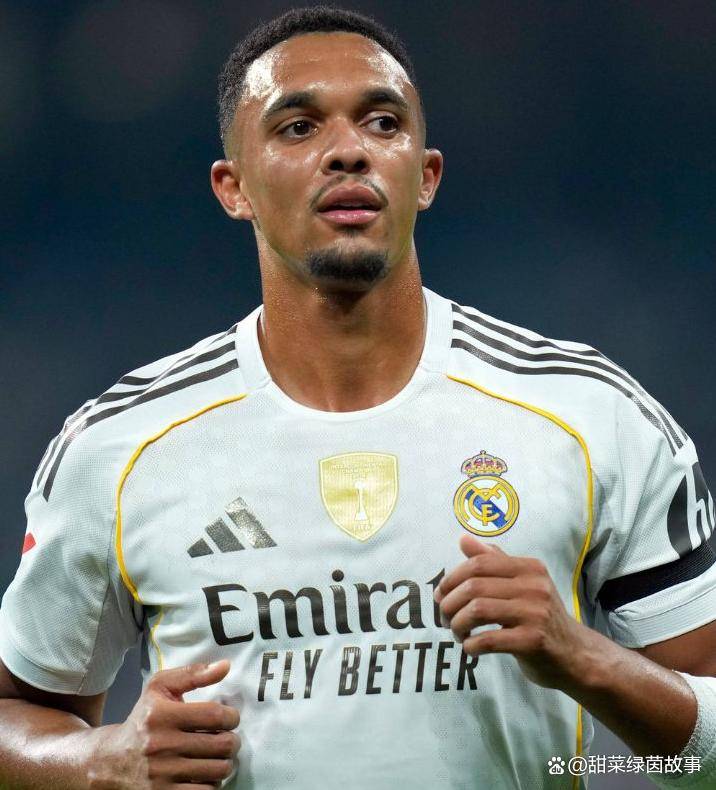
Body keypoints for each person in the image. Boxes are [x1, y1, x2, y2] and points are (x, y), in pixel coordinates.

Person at [1, 6, 715, 789]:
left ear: (426, 176)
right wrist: (99, 762)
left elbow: (703, 758)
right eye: (298, 127)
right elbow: (18, 715)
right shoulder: (120, 447)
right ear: (233, 188)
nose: (348, 150)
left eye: (382, 122)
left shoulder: (589, 416)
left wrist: (582, 656)